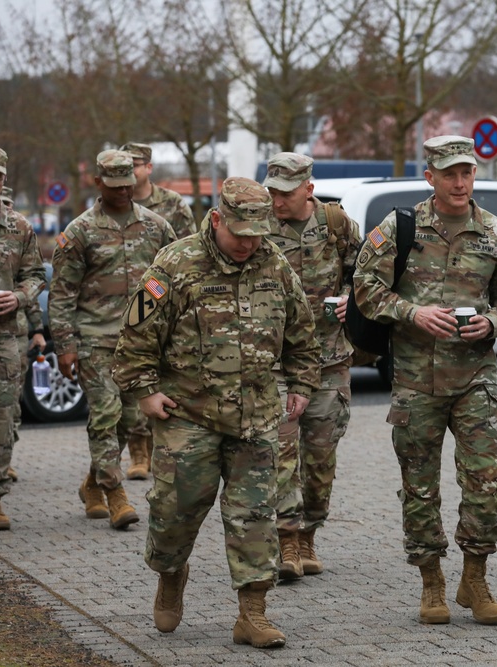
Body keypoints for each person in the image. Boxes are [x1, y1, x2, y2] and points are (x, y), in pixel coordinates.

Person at [112, 177, 322, 649]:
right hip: (189, 417)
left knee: (255, 516)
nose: (249, 243)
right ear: (216, 219)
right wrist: (145, 393)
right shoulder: (174, 264)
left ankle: (253, 613)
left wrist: (303, 385)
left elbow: (303, 336)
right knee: (175, 513)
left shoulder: (276, 263)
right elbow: (134, 342)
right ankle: (170, 573)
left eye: (257, 233)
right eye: (240, 233)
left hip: (257, 418)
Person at [353, 135, 497, 626]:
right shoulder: (400, 228)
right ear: (430, 177)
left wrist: (493, 323)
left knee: (485, 483)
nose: (459, 182)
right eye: (449, 173)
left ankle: (476, 576)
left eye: (466, 172)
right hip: (415, 381)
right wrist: (411, 313)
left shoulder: (494, 232)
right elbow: (365, 287)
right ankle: (431, 581)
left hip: (475, 379)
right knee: (420, 487)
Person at [49, 149, 176, 530]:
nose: (124, 191)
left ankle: (92, 483)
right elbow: (62, 293)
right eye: (115, 185)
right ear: (99, 183)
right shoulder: (80, 232)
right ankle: (114, 492)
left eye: (128, 184)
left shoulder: (156, 227)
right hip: (94, 338)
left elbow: (175, 278)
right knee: (105, 415)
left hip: (140, 343)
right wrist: (65, 345)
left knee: (130, 420)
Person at [263, 152, 362, 580]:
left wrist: (350, 300)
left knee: (320, 458)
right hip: (275, 362)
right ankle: (286, 542)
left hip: (329, 358)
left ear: (309, 188)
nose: (277, 200)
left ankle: (308, 535)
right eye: (272, 191)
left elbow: (367, 274)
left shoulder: (336, 224)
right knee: (282, 454)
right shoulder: (260, 226)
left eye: (285, 193)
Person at [119, 141, 197, 479]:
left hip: (166, 305)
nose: (131, 171)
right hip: (126, 306)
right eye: (125, 165)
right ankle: (138, 451)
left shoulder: (172, 205)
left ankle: (156, 448)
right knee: (131, 381)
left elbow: (194, 250)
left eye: (135, 165)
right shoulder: (116, 200)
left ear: (149, 168)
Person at [0, 147, 46, 531]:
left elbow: (36, 274)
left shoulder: (19, 227)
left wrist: (19, 297)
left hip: (2, 337)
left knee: (2, 418)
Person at [1, 185, 47, 485]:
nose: (4, 207)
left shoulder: (18, 233)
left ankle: (2, 461)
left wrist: (38, 330)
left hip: (10, 333)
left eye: (8, 203)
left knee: (9, 404)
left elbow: (30, 286)